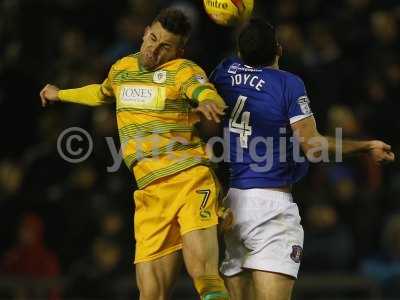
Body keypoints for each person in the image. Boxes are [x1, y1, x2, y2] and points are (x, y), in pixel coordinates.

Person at [40, 8, 229, 300]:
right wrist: (60, 94)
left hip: (190, 180)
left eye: (165, 46)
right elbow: (102, 92)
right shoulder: (122, 69)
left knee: (205, 277)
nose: (154, 48)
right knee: (150, 294)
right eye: (152, 38)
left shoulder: (184, 70)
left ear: (179, 50)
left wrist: (208, 101)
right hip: (150, 193)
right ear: (144, 33)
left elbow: (203, 90)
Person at [210, 18, 395, 300]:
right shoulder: (288, 84)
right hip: (271, 208)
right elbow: (312, 145)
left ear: (239, 51)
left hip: (233, 205)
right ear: (279, 51)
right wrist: (365, 146)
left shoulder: (224, 72)